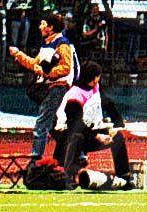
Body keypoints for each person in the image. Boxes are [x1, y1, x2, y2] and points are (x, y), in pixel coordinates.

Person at [53, 61, 131, 187]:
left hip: (90, 132)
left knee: (118, 138)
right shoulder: (74, 96)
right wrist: (97, 136)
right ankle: (67, 177)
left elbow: (108, 105)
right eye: (95, 79)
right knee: (76, 137)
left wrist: (117, 125)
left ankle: (124, 176)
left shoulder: (95, 88)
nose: (97, 82)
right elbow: (75, 125)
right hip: (69, 135)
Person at [8, 13, 75, 160]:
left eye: (43, 24)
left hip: (58, 86)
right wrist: (18, 54)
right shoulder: (47, 44)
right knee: (50, 123)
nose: (40, 27)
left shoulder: (62, 44)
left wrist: (46, 73)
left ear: (50, 28)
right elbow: (35, 64)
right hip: (50, 86)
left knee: (42, 122)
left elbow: (66, 67)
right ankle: (69, 148)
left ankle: (36, 158)